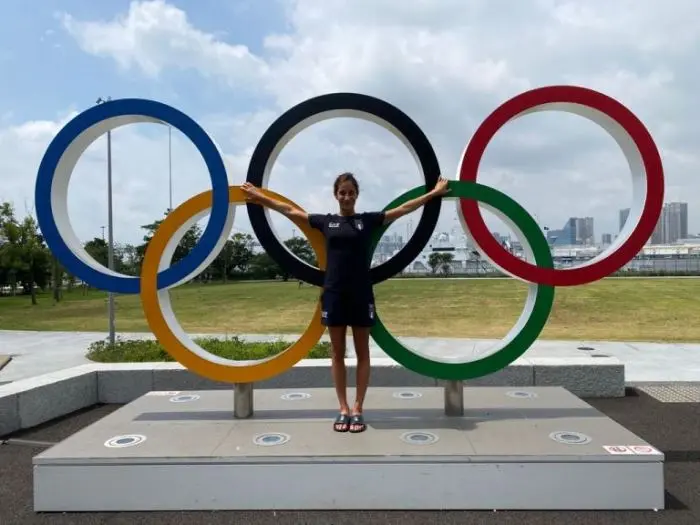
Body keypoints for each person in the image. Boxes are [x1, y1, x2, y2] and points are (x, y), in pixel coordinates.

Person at [241, 173, 449, 432]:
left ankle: (358, 408)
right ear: (336, 195)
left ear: (356, 195)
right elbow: (289, 210)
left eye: (351, 193)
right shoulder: (326, 222)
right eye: (343, 193)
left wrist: (434, 193)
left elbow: (404, 209)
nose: (347, 197)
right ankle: (343, 409)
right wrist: (260, 196)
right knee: (337, 353)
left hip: (361, 293)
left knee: (363, 353)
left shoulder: (368, 221)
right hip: (335, 293)